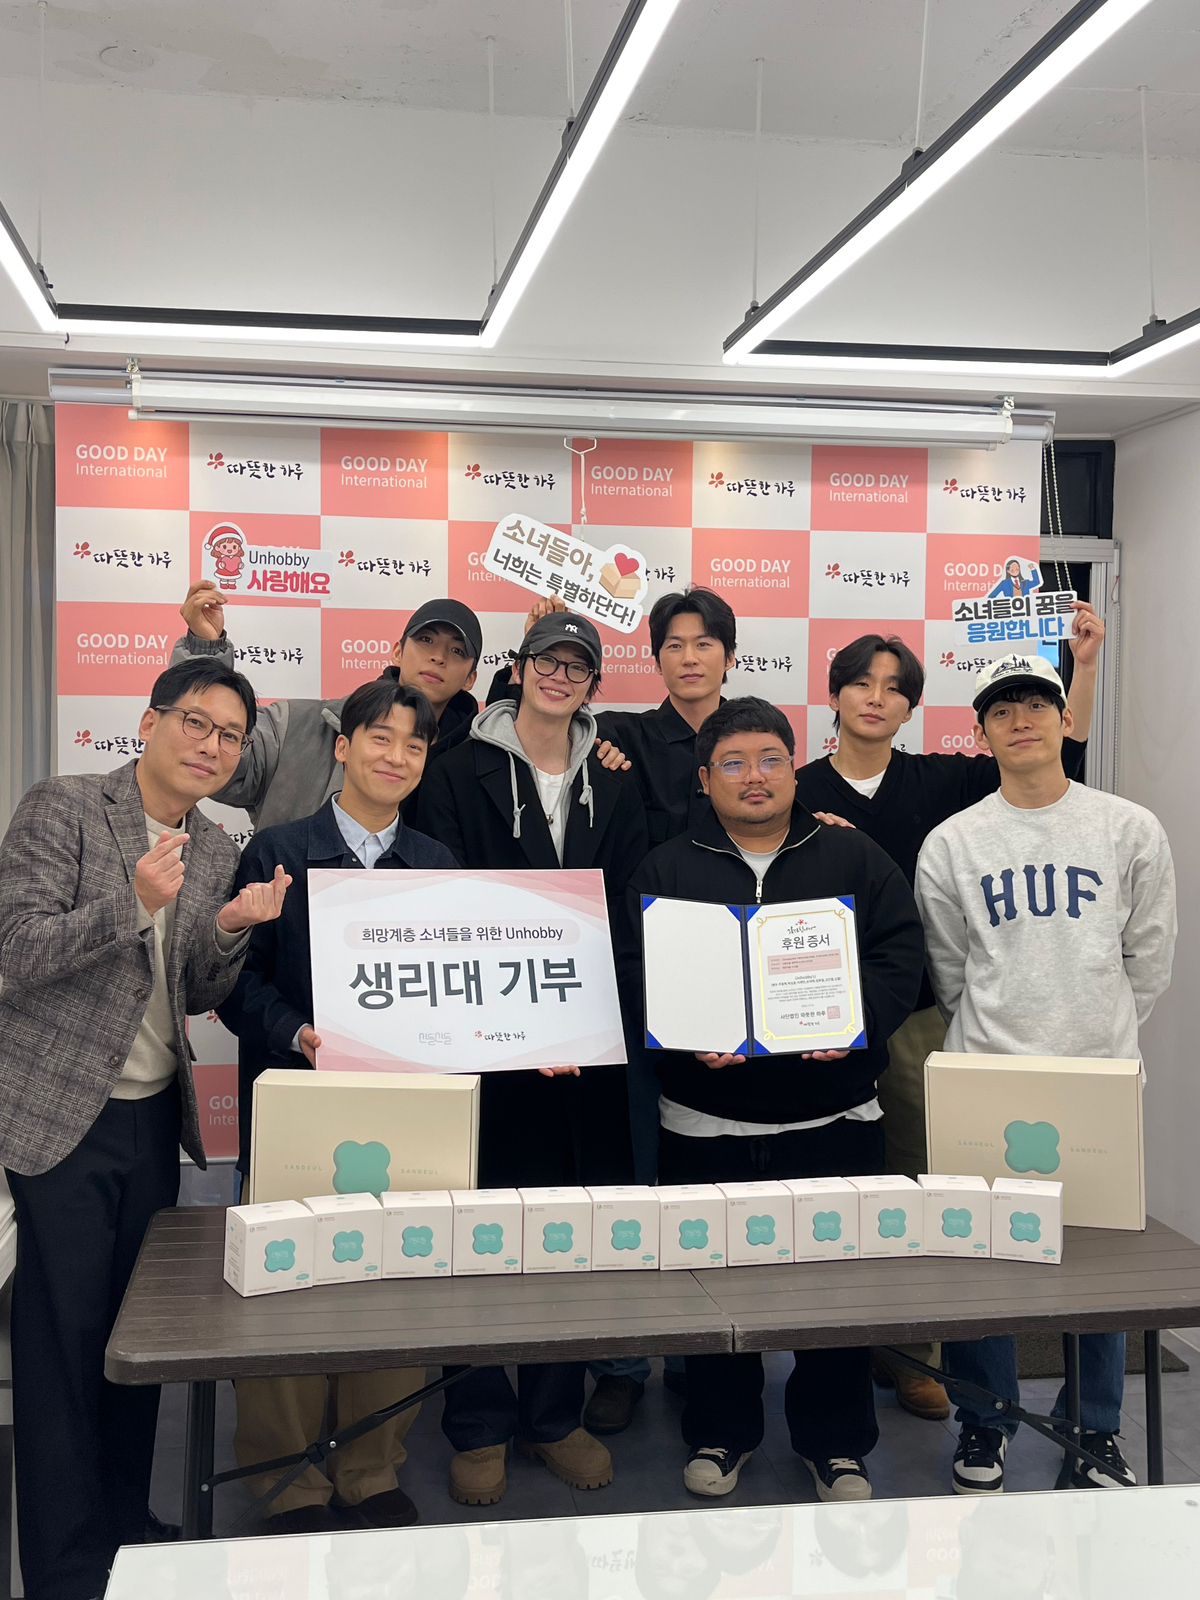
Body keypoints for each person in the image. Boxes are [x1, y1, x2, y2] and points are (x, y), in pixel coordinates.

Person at [0, 658, 291, 1600]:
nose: (211, 746)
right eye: (196, 723)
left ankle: (127, 1524)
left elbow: (195, 988)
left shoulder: (214, 845)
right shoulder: (64, 807)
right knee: (63, 1346)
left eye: (230, 735)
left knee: (139, 1337)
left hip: (154, 1118)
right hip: (61, 1118)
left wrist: (233, 928)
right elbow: (14, 950)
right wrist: (129, 904)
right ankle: (64, 1564)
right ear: (151, 721)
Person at [793, 608, 1103, 1421]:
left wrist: (1083, 667)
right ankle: (837, 1346)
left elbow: (1052, 755)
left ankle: (917, 1355)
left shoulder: (941, 779)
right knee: (843, 1183)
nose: (876, 697)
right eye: (861, 682)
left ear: (911, 708)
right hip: (816, 1015)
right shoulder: (793, 788)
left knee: (927, 1180)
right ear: (834, 693)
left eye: (894, 688)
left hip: (922, 1011)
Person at [630, 697, 925, 1502]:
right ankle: (721, 1432)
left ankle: (837, 1443)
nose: (752, 777)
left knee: (836, 1294)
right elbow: (636, 972)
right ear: (704, 779)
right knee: (714, 1291)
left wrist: (856, 1023)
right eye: (732, 763)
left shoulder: (851, 855)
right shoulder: (666, 868)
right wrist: (681, 1037)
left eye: (769, 759)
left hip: (835, 1119)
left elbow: (900, 952)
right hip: (704, 1123)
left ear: (794, 769)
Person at [915, 653, 1176, 1496]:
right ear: (981, 731)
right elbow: (951, 969)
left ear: (1066, 718)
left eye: (1035, 703)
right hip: (988, 1075)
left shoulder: (1128, 828)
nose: (1020, 719)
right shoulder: (953, 842)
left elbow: (1149, 959)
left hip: (1097, 1077)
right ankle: (985, 1421)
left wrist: (1097, 1035)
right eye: (1001, 709)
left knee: (1097, 1267)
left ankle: (1094, 1429)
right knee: (982, 1264)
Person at [417, 611, 648, 1508]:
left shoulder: (614, 776)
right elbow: (444, 899)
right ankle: (477, 1421)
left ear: (593, 684)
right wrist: (514, 1023)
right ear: (517, 670)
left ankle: (553, 1416)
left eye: (577, 666)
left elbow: (629, 901)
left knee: (566, 1231)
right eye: (547, 661)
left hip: (585, 1041)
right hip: (485, 1043)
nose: (560, 676)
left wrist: (584, 1015)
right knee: (477, 1234)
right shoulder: (456, 768)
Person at [221, 679, 456, 1536]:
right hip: (297, 1104)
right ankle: (286, 1478)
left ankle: (370, 1464)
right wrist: (297, 1032)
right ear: (345, 747)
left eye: (414, 744)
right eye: (380, 738)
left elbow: (462, 989)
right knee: (285, 1287)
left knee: (396, 1284)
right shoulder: (279, 851)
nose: (397, 756)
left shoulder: (437, 864)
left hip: (408, 1114)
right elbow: (233, 981)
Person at [171, 581, 486, 827]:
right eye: (426, 640)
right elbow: (214, 758)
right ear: (398, 652)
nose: (438, 657)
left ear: (471, 678)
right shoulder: (300, 725)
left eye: (457, 651)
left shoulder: (477, 763)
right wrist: (205, 651)